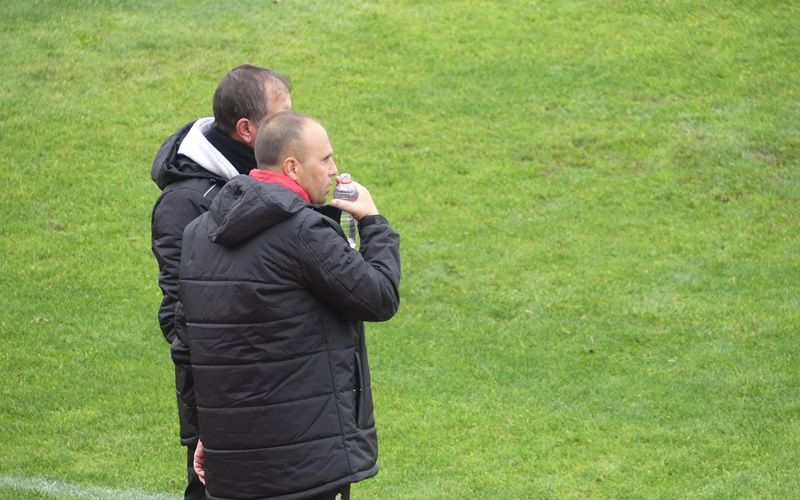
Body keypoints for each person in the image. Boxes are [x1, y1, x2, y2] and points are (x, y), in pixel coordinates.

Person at [179, 111, 401, 499]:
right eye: (326, 159)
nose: (334, 171)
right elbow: (379, 296)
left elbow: (191, 343)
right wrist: (373, 222)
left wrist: (207, 433)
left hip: (232, 462)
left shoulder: (198, 233)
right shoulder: (302, 231)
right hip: (305, 467)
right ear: (292, 167)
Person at [150, 64, 292, 500]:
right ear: (247, 129)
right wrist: (220, 414)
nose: (292, 126)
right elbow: (182, 317)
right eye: (282, 115)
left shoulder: (268, 178)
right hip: (224, 403)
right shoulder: (183, 204)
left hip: (279, 390)